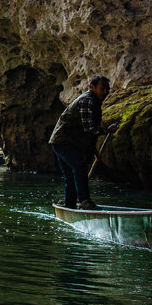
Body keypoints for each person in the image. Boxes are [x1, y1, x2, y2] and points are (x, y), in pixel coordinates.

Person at [48, 75, 119, 209]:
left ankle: (70, 204)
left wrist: (93, 150)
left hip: (64, 142)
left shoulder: (95, 101)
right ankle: (84, 201)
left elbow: (87, 132)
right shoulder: (87, 101)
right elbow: (89, 129)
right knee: (79, 167)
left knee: (71, 175)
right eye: (102, 89)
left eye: (107, 89)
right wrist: (107, 130)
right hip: (63, 141)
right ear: (92, 87)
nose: (105, 92)